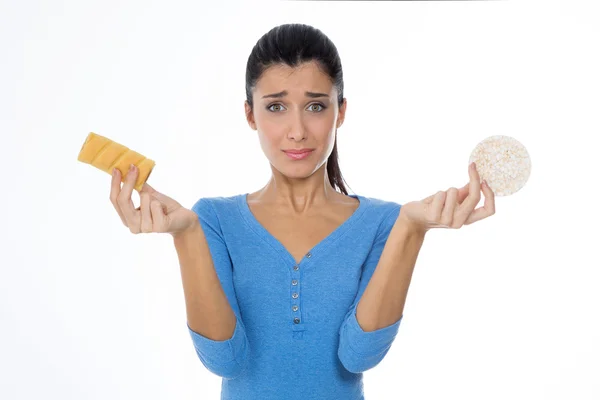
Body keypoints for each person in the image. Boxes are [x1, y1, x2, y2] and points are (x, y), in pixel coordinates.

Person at [109, 23, 496, 400]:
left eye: (315, 106)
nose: (297, 130)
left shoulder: (385, 223)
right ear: (250, 115)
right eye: (276, 106)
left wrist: (411, 230)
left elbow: (359, 355)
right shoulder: (213, 220)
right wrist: (186, 234)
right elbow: (224, 360)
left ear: (340, 112)